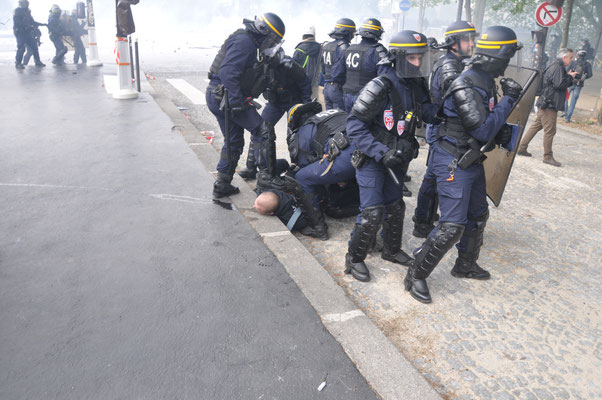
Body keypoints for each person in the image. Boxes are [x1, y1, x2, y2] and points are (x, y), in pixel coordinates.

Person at [404, 26, 523, 304]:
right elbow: (481, 129)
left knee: (478, 215)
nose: (508, 63)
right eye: (507, 57)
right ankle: (416, 273)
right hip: (454, 159)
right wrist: (508, 101)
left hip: (470, 157)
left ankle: (465, 265)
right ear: (497, 56)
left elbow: (485, 125)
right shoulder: (465, 83)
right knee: (451, 225)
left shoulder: (485, 79)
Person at [344, 30, 440, 282]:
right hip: (373, 158)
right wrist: (379, 151)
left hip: (398, 156)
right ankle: (354, 258)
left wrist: (448, 103)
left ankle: (391, 250)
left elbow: (427, 113)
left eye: (421, 58)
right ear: (398, 57)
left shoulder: (415, 83)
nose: (418, 63)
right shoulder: (380, 85)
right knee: (371, 213)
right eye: (413, 58)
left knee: (395, 207)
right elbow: (354, 124)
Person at [205, 13, 286, 198]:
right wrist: (236, 102)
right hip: (224, 96)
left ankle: (222, 184)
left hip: (219, 95)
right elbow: (227, 72)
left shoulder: (250, 42)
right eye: (272, 38)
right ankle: (266, 181)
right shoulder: (245, 42)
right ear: (264, 31)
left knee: (233, 141)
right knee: (263, 131)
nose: (272, 42)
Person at [413, 21, 477, 238]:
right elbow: (459, 99)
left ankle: (424, 218)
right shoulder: (450, 65)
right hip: (442, 128)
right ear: (454, 42)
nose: (472, 43)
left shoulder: (455, 62)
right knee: (435, 177)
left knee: (434, 176)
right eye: (467, 39)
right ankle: (422, 222)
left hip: (442, 127)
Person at [284, 102, 357, 240]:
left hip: (346, 160)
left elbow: (305, 166)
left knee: (301, 178)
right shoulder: (337, 111)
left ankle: (317, 228)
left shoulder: (303, 130)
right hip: (369, 151)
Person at [238, 53, 312, 181]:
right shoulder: (263, 66)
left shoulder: (290, 66)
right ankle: (251, 167)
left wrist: (305, 105)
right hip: (275, 102)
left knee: (296, 136)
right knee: (259, 130)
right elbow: (256, 85)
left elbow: (305, 82)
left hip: (293, 101)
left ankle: (297, 168)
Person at [517, 48, 576, 167]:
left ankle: (521, 148)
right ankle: (547, 156)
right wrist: (570, 77)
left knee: (536, 126)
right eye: (570, 57)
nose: (572, 59)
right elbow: (559, 84)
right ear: (564, 57)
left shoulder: (555, 66)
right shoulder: (557, 67)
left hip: (546, 102)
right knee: (550, 130)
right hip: (549, 104)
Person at [341, 18, 389, 113]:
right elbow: (385, 78)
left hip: (347, 95)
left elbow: (338, 72)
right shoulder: (378, 51)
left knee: (348, 124)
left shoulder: (349, 49)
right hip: (366, 98)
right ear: (378, 33)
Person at [320, 18, 356, 110]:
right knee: (339, 119)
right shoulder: (344, 47)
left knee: (330, 119)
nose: (353, 36)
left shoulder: (326, 46)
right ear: (347, 33)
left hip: (327, 87)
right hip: (337, 88)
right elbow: (340, 71)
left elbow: (323, 69)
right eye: (352, 33)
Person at [12, 0, 45, 69]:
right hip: (20, 33)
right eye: (25, 3)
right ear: (21, 3)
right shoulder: (18, 12)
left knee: (34, 47)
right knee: (21, 48)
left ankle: (37, 61)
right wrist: (27, 26)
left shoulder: (27, 12)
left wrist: (42, 24)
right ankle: (18, 63)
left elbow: (32, 21)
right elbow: (18, 23)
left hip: (27, 32)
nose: (26, 4)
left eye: (26, 3)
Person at [563, 50, 593, 123]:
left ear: (578, 55)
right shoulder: (587, 64)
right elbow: (590, 74)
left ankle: (565, 111)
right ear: (585, 56)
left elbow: (567, 71)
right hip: (579, 84)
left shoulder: (573, 62)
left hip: (570, 82)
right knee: (573, 102)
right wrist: (584, 77)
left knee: (565, 97)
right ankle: (567, 118)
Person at [293, 26, 322, 99]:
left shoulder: (299, 50)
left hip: (301, 85)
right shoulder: (321, 48)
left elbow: (293, 69)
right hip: (316, 85)